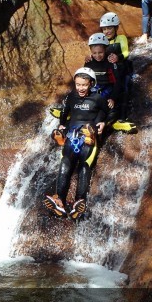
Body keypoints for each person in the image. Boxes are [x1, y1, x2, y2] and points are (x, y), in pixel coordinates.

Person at [44, 67, 109, 220]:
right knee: (65, 164)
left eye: (84, 85)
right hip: (73, 134)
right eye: (78, 84)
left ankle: (79, 202)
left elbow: (108, 112)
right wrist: (61, 125)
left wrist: (103, 123)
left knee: (84, 166)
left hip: (88, 133)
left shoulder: (98, 98)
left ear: (91, 84)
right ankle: (59, 200)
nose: (80, 88)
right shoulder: (71, 97)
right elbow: (65, 112)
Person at [98, 12, 137, 132]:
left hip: (122, 69)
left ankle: (122, 117)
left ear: (116, 28)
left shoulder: (121, 38)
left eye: (109, 28)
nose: (107, 31)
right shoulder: (101, 40)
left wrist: (118, 57)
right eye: (104, 29)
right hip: (108, 72)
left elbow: (126, 52)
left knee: (124, 86)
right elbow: (96, 54)